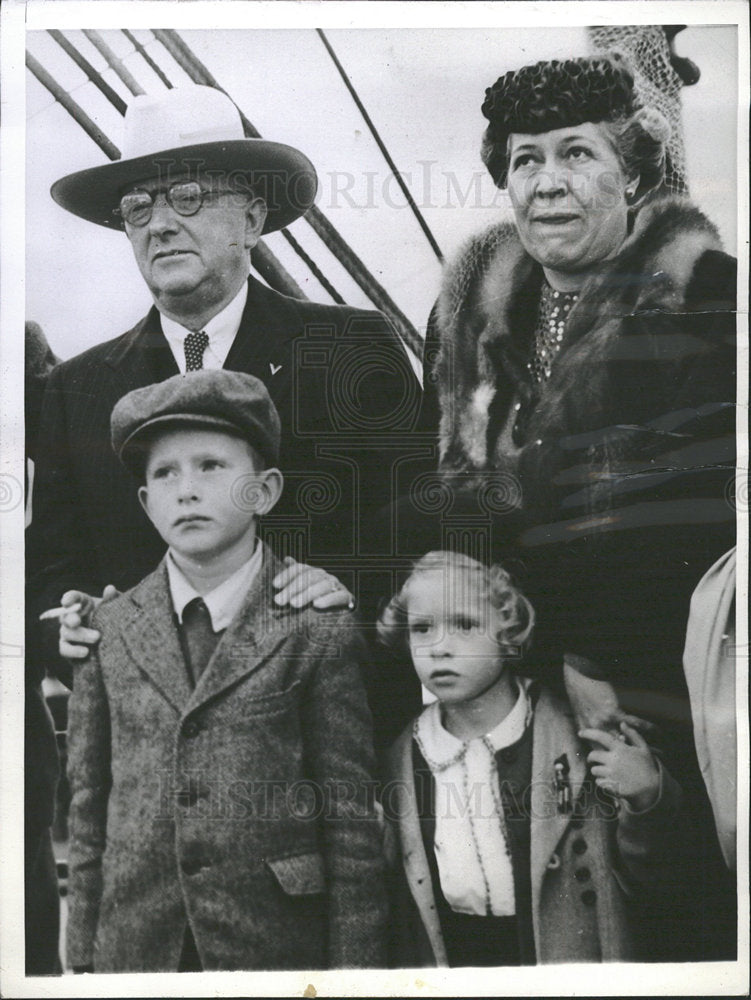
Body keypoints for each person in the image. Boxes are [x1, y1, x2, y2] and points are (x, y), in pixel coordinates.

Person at [424, 54, 736, 959]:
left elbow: (704, 520)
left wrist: (588, 651)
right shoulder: (467, 315)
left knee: (672, 913)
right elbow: (445, 490)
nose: (547, 184)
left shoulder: (708, 298)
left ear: (632, 174)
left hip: (655, 678)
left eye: (577, 155)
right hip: (507, 673)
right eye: (525, 160)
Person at [27, 83, 423, 672]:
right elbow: (44, 577)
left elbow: (425, 516)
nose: (158, 224)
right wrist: (61, 627)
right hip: (151, 741)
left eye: (187, 197)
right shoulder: (73, 390)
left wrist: (351, 593)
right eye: (138, 206)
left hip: (329, 717)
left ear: (252, 218)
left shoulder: (350, 347)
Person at [65, 369, 387, 972]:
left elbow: (350, 820)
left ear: (264, 492)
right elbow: (89, 809)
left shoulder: (316, 626)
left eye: (211, 466)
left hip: (275, 945)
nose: (186, 490)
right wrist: (82, 959)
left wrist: (354, 973)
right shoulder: (105, 629)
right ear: (145, 502)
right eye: (165, 473)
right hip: (138, 946)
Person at [380, 551, 681, 966]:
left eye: (465, 625)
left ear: (509, 630)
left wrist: (646, 797)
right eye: (421, 628)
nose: (439, 648)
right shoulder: (404, 755)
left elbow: (660, 881)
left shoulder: (578, 733)